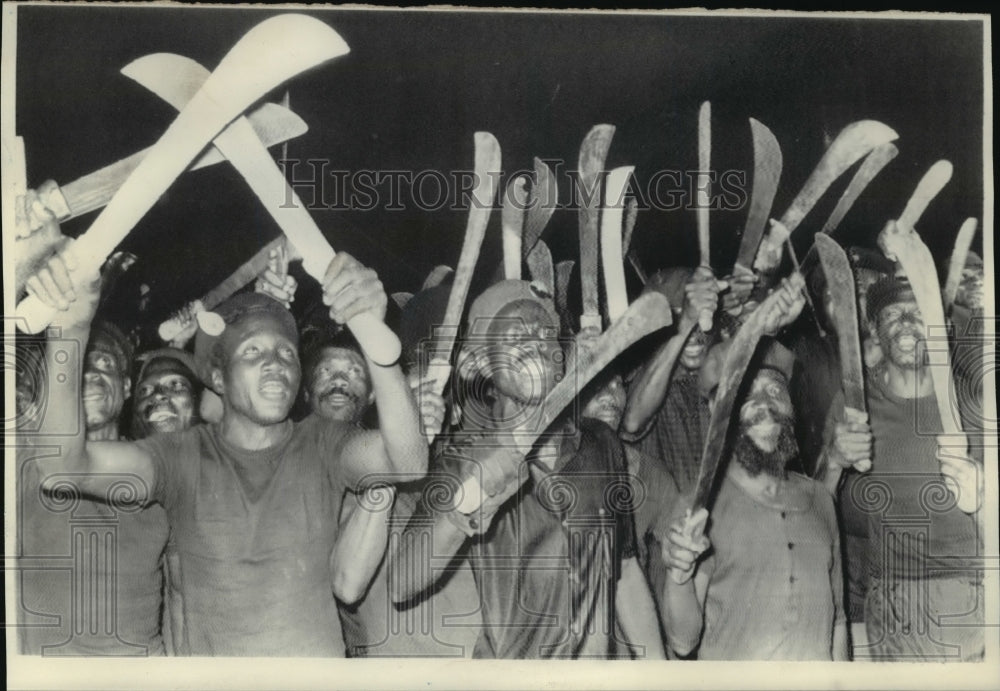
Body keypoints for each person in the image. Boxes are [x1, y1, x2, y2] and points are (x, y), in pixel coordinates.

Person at [23, 246, 429, 656]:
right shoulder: (180, 457)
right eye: (253, 351)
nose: (275, 363)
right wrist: (71, 330)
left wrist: (371, 330)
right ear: (218, 376)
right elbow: (64, 467)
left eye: (286, 353)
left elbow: (408, 462)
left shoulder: (321, 442)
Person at [392, 279, 663, 659]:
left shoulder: (600, 443)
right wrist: (472, 500)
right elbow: (402, 582)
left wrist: (658, 667)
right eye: (516, 335)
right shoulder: (462, 459)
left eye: (544, 333)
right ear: (481, 362)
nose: (535, 342)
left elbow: (624, 569)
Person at [662, 336, 850, 661]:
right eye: (746, 393)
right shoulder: (702, 505)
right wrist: (678, 575)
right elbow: (683, 641)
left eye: (776, 391)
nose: (765, 405)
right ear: (721, 412)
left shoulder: (821, 500)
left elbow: (838, 624)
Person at [848, 272, 984, 661]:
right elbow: (829, 502)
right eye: (892, 315)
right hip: (887, 600)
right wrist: (839, 461)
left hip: (957, 595)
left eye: (917, 313)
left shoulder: (972, 402)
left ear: (940, 328)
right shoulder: (855, 401)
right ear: (874, 330)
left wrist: (982, 494)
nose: (906, 324)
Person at [18, 318, 170, 655]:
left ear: (127, 386)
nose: (92, 374)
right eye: (82, 365)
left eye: (106, 364)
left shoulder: (158, 470)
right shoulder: (27, 464)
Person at [621, 266, 724, 494]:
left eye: (702, 319)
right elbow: (632, 421)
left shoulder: (723, 379)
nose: (694, 334)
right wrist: (685, 322)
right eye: (677, 317)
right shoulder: (646, 385)